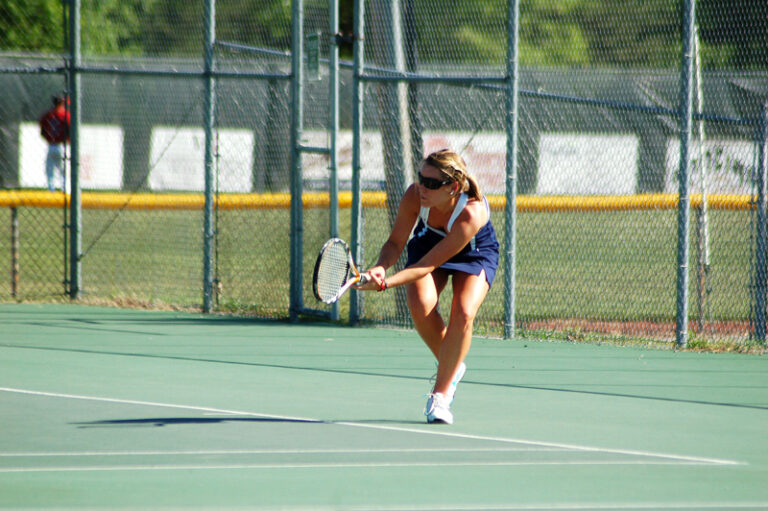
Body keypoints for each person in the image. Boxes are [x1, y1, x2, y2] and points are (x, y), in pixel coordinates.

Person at [357, 149, 499, 424]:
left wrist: (384, 284)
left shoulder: (471, 213)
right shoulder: (414, 195)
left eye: (432, 184)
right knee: (420, 304)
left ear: (453, 188)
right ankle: (453, 365)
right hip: (427, 244)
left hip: (474, 252)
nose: (423, 187)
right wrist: (380, 268)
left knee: (464, 312)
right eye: (421, 178)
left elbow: (426, 266)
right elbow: (395, 242)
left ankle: (441, 396)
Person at [39, 94, 70, 192]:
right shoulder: (66, 115)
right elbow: (70, 128)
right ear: (62, 103)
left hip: (51, 145)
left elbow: (42, 128)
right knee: (64, 169)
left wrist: (48, 137)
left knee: (50, 169)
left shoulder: (49, 115)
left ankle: (51, 190)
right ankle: (65, 189)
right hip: (62, 145)